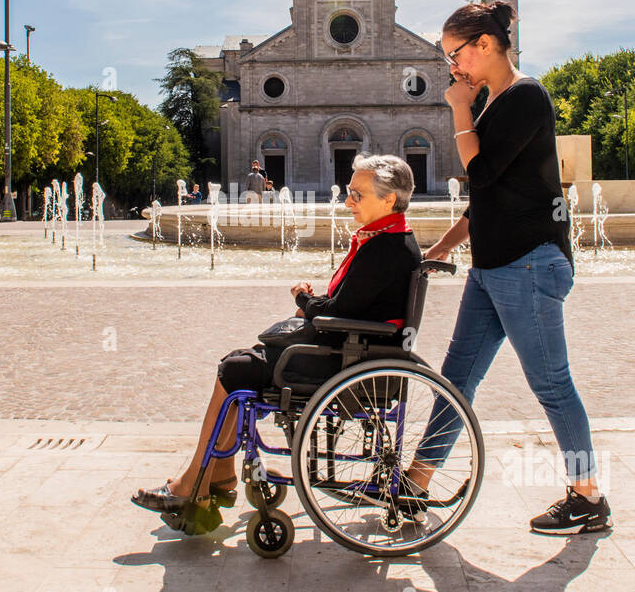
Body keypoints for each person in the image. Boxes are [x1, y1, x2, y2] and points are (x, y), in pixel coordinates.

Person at [132, 154, 422, 530]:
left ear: (388, 200)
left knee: (235, 369)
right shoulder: (390, 240)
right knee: (237, 363)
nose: (347, 201)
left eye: (356, 194)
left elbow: (336, 309)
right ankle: (214, 477)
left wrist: (302, 298)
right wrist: (315, 305)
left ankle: (199, 482)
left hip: (343, 359)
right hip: (349, 350)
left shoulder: (386, 249)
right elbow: (348, 304)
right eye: (349, 192)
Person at [410, 0, 611, 534]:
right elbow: (487, 202)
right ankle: (418, 481)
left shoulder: (525, 96)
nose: (452, 66)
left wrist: (457, 108)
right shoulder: (496, 102)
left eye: (455, 53)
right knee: (457, 378)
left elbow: (481, 173)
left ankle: (588, 496)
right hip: (494, 268)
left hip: (527, 264)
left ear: (483, 45)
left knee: (551, 384)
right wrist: (441, 249)